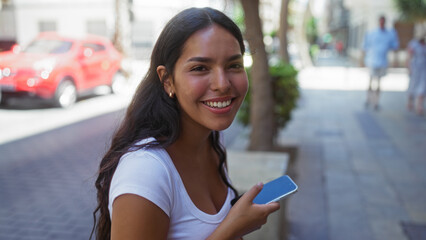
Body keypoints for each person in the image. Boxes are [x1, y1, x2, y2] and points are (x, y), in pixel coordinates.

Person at [90, 7, 280, 240]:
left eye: (234, 65)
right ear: (168, 81)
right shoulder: (145, 170)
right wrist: (232, 228)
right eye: (200, 68)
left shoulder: (210, 140)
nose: (222, 84)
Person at [362, 15, 399, 110]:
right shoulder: (372, 33)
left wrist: (395, 60)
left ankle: (376, 102)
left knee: (379, 82)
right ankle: (368, 99)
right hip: (372, 61)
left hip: (382, 61)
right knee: (370, 81)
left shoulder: (390, 34)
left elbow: (395, 46)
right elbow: (365, 46)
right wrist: (362, 59)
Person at [407, 35, 426, 115]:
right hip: (415, 68)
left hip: (424, 69)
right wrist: (408, 67)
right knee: (413, 85)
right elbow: (409, 56)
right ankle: (410, 101)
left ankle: (419, 106)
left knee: (423, 86)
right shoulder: (414, 44)